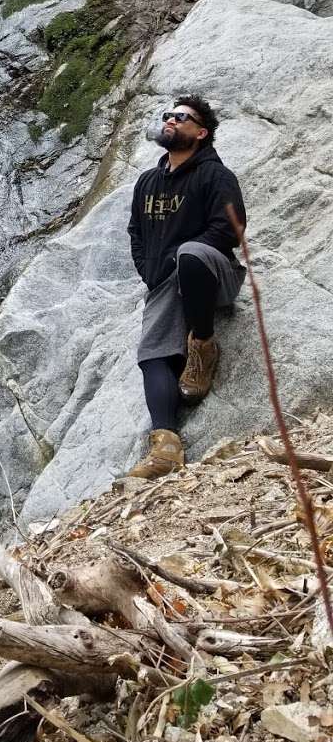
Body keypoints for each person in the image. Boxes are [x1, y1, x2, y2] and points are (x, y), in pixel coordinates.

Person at [126, 94, 246, 479]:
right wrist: (150, 272)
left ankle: (203, 346)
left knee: (191, 253)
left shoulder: (216, 175)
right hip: (164, 281)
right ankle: (166, 446)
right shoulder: (147, 182)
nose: (170, 120)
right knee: (152, 353)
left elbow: (230, 229)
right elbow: (136, 233)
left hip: (213, 272)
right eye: (167, 115)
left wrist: (179, 257)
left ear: (201, 132)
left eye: (181, 116)